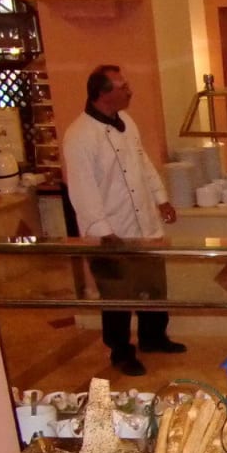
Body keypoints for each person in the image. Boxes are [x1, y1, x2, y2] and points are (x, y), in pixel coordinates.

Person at [62, 64, 184, 377]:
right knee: (117, 294)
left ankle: (153, 337)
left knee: (152, 287)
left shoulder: (127, 122)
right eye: (123, 87)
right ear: (103, 94)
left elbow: (143, 164)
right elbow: (83, 190)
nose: (130, 91)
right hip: (110, 229)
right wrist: (104, 232)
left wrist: (161, 198)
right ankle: (120, 351)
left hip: (143, 223)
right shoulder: (79, 135)